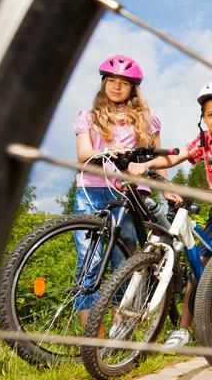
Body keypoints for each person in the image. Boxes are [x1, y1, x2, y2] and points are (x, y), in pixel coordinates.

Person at [127, 80, 212, 348]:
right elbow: (178, 156)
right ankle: (183, 329)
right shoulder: (204, 140)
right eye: (210, 115)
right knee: (200, 259)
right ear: (203, 118)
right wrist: (150, 164)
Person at [73, 54, 177, 324]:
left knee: (124, 261)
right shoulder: (88, 117)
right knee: (89, 262)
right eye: (111, 81)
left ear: (133, 88)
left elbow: (156, 156)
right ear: (103, 83)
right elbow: (83, 153)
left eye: (124, 83)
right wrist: (105, 151)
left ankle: (120, 328)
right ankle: (90, 337)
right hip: (91, 191)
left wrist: (164, 187)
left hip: (128, 193)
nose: (116, 86)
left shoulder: (145, 118)